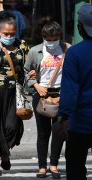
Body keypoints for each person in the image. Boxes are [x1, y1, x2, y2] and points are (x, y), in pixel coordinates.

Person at [0, 16, 29, 176]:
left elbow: (29, 67)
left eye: (12, 33)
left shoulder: (22, 47)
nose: (9, 37)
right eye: (6, 33)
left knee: (12, 126)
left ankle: (5, 150)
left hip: (14, 91)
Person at [24, 20, 70, 179]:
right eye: (48, 39)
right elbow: (26, 72)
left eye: (54, 39)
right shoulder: (35, 51)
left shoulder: (67, 49)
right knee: (43, 133)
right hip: (42, 95)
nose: (51, 42)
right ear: (43, 37)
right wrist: (35, 85)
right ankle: (42, 166)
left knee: (59, 132)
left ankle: (54, 165)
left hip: (62, 95)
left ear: (59, 37)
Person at [59, 3, 92, 180]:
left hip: (80, 123)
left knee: (76, 170)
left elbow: (70, 89)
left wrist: (64, 117)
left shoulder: (75, 53)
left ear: (81, 27)